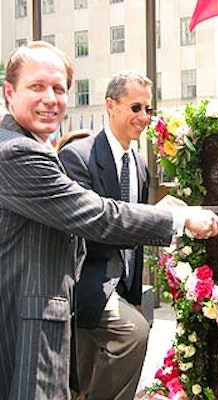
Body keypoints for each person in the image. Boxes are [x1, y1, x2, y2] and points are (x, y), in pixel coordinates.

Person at [0, 40, 218, 400]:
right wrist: (176, 220)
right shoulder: (18, 151)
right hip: (38, 318)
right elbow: (96, 216)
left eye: (59, 89)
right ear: (10, 92)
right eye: (37, 87)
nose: (50, 98)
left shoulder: (135, 163)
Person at [58, 71, 154, 400]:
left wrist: (136, 297)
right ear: (110, 105)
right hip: (85, 282)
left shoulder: (140, 165)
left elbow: (137, 241)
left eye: (148, 110)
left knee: (84, 377)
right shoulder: (77, 157)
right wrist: (164, 218)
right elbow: (92, 228)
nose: (143, 118)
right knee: (133, 335)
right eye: (136, 108)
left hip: (121, 285)